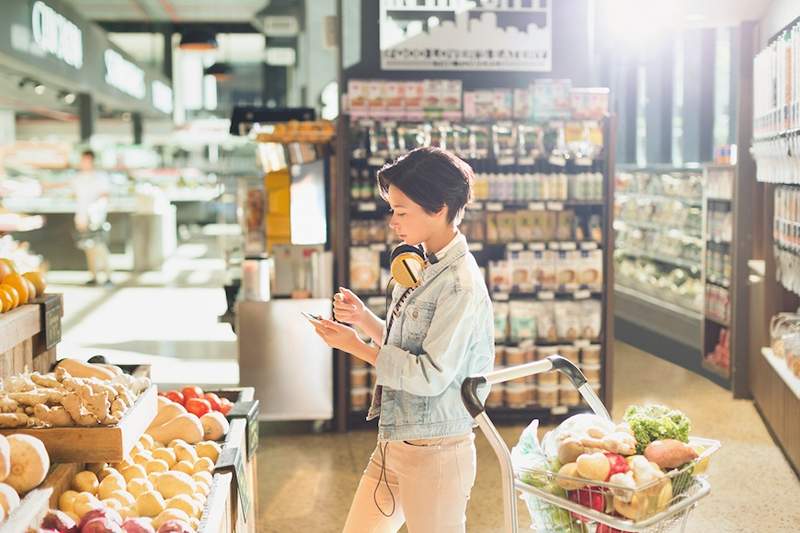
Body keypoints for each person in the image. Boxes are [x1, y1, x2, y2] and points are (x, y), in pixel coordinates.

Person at [311, 147, 494, 533]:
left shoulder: (459, 284)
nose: (392, 220)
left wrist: (356, 347)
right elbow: (407, 344)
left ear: (439, 208)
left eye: (401, 210)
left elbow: (429, 375)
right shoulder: (424, 261)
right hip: (396, 440)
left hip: (437, 452)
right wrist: (364, 320)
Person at [72, 150, 112, 286]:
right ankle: (94, 276)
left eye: (87, 160)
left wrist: (94, 211)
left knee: (100, 247)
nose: (85, 163)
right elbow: (77, 198)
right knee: (88, 247)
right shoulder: (77, 178)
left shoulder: (100, 177)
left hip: (97, 217)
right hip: (82, 217)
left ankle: (108, 277)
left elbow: (104, 196)